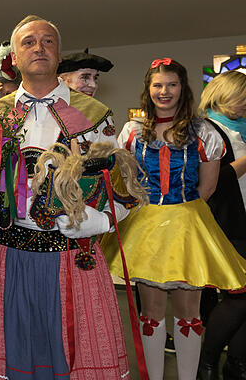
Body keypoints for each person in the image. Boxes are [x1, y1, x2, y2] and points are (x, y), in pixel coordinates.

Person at [0, 15, 130, 379]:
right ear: (13, 58)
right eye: (28, 42)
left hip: (72, 257)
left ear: (59, 55)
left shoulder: (94, 115)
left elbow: (124, 192)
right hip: (10, 256)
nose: (39, 48)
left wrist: (103, 220)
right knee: (18, 355)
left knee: (73, 361)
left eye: (47, 41)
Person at [101, 59, 246, 380]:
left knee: (189, 313)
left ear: (183, 88)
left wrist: (179, 216)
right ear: (148, 90)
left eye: (172, 84)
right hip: (145, 230)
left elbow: (207, 187)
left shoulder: (204, 131)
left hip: (187, 226)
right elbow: (128, 181)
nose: (164, 91)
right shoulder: (132, 131)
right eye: (158, 85)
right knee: (150, 313)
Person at [199, 71, 246, 380]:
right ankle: (207, 361)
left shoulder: (241, 131)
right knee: (239, 296)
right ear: (226, 95)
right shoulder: (206, 129)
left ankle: (237, 364)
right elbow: (213, 181)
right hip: (226, 222)